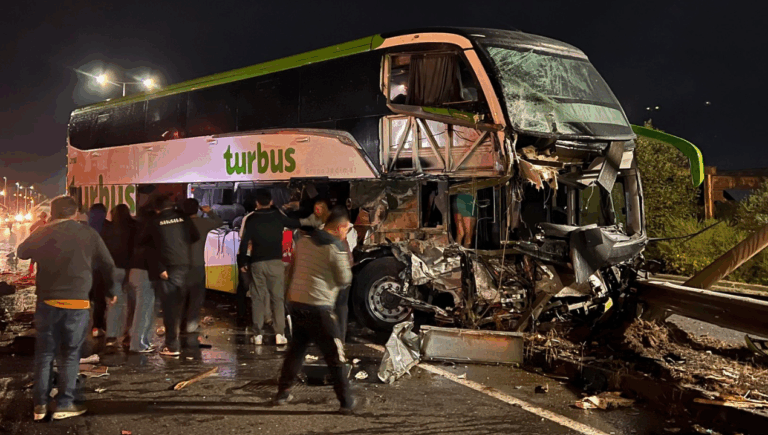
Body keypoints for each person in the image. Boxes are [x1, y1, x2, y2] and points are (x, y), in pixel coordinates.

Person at [17, 195, 116, 421]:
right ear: (75, 213)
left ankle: (39, 406)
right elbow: (108, 264)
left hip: (47, 303)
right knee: (69, 355)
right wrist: (111, 291)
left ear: (52, 213)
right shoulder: (88, 234)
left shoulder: (43, 232)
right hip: (77, 303)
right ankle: (64, 404)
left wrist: (42, 230)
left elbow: (22, 252)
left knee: (44, 355)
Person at [275, 205, 354, 413]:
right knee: (335, 355)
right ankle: (346, 402)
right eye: (346, 229)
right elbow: (344, 279)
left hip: (296, 303)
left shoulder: (303, 241)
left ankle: (283, 392)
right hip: (319, 307)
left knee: (296, 351)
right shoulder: (334, 246)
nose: (346, 233)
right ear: (340, 227)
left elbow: (291, 270)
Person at [238, 189, 317, 346]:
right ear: (271, 202)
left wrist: (242, 262)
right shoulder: (279, 216)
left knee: (258, 298)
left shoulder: (250, 218)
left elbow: (244, 241)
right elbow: (293, 228)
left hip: (257, 262)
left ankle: (258, 335)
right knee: (277, 298)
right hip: (276, 262)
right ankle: (279, 334)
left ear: (256, 203)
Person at [141, 195, 200, 356]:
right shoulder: (184, 218)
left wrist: (160, 268)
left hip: (167, 268)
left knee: (170, 307)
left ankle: (172, 345)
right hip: (184, 265)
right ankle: (177, 341)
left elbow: (146, 244)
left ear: (157, 209)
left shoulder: (154, 221)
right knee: (179, 303)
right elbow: (195, 236)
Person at [181, 198, 223, 333]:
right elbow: (219, 222)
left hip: (180, 266)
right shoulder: (203, 223)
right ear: (197, 209)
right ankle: (191, 325)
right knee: (196, 297)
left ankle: (180, 325)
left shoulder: (178, 224)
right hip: (198, 265)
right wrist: (209, 212)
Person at [101, 204, 136, 347]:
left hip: (113, 269)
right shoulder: (134, 227)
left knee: (113, 303)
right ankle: (129, 334)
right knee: (132, 304)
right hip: (132, 269)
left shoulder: (107, 229)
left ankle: (111, 336)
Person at [127, 204, 160, 353]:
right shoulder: (151, 234)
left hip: (134, 272)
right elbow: (152, 257)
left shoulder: (135, 231)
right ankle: (137, 344)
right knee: (143, 311)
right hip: (144, 275)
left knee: (141, 309)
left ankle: (143, 342)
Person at [87, 203, 109, 336]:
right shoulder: (108, 227)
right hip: (100, 268)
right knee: (99, 298)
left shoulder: (84, 228)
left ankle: (84, 324)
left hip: (85, 267)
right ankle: (97, 326)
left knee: (86, 297)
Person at [27, 211, 48, 276]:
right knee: (40, 259)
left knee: (33, 258)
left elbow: (31, 229)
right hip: (42, 243)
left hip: (35, 242)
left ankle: (31, 271)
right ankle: (38, 273)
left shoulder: (37, 223)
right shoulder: (46, 223)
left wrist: (32, 237)